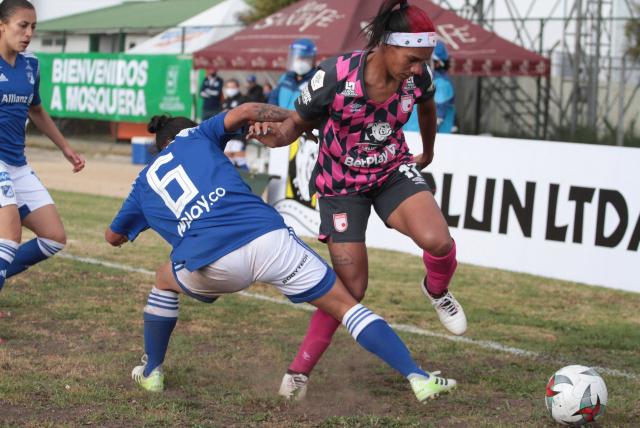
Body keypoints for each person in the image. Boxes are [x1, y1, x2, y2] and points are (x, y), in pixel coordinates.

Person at [104, 103, 456, 402]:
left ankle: (151, 372)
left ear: (158, 146)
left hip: (212, 264)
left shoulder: (142, 183)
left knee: (164, 278)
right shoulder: (198, 136)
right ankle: (417, 377)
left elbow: (112, 236)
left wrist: (134, 227)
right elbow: (248, 111)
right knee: (347, 306)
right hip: (267, 239)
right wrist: (297, 121)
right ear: (186, 132)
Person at [249, 0, 467, 400]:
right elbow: (294, 126)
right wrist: (269, 135)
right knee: (352, 288)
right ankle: (299, 372)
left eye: (425, 61)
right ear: (385, 44)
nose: (419, 68)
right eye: (413, 58)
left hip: (391, 171)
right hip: (340, 186)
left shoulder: (418, 76)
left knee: (439, 240)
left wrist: (429, 150)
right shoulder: (334, 75)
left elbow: (429, 104)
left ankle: (437, 291)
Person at [0, 0, 85, 343]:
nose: (29, 33)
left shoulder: (31, 67)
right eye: (22, 25)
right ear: (1, 26)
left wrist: (65, 148)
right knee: (9, 235)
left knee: (53, 238)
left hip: (17, 162)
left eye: (33, 26)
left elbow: (37, 111)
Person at [404, 41, 457, 133]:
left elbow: (438, 115)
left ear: (437, 63)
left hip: (429, 140)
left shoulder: (441, 83)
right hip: (410, 136)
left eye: (425, 61)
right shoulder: (415, 79)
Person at [268, 38, 317, 110]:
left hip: (298, 120)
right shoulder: (286, 77)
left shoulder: (316, 80)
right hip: (278, 118)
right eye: (297, 58)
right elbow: (273, 97)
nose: (300, 62)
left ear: (312, 59)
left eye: (304, 58)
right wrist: (273, 114)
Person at [221, 79, 248, 169]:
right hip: (228, 133)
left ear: (237, 87)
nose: (230, 89)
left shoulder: (242, 99)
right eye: (228, 87)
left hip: (239, 133)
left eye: (232, 87)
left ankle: (249, 177)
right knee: (228, 158)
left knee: (239, 157)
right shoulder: (226, 101)